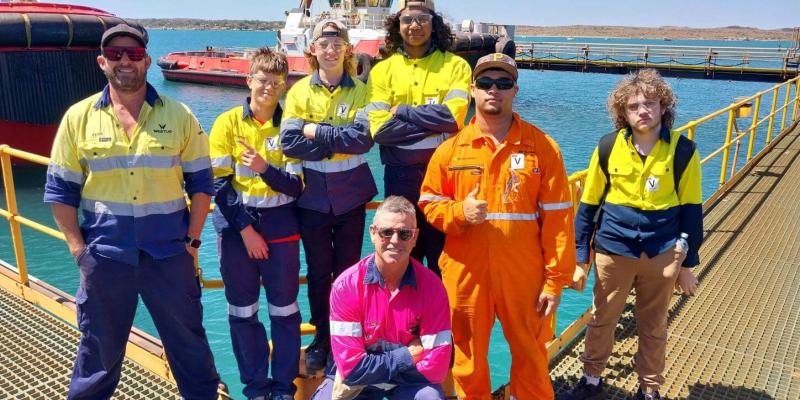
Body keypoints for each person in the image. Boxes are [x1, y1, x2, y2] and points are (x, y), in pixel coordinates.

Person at [43, 24, 220, 399]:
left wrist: (192, 241)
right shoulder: (78, 118)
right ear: (102, 62)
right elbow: (60, 191)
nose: (125, 60)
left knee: (189, 347)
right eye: (116, 54)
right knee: (99, 352)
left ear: (147, 61)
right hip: (106, 257)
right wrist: (79, 251)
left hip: (169, 254)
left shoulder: (179, 115)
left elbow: (202, 184)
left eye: (134, 54)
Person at [419, 53, 576, 399]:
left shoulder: (543, 148)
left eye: (503, 83)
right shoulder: (450, 150)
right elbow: (429, 203)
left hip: (525, 274)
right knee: (468, 358)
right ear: (472, 90)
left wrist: (554, 282)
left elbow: (559, 219)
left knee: (531, 355)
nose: (495, 90)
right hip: (465, 272)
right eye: (486, 83)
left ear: (515, 90)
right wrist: (460, 212)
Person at [562, 69, 702, 400]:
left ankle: (649, 389)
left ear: (663, 107)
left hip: (663, 253)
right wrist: (581, 259)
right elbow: (588, 208)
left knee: (654, 326)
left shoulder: (684, 151)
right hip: (613, 251)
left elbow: (692, 212)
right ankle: (591, 381)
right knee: (601, 319)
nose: (643, 111)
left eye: (650, 103)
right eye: (634, 106)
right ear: (622, 112)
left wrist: (686, 265)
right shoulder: (608, 148)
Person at [280, 19, 377, 373]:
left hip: (352, 197)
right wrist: (334, 141)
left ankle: (347, 341)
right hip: (313, 200)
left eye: (338, 43)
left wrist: (315, 131)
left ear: (347, 49)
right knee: (320, 273)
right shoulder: (299, 91)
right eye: (325, 43)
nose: (331, 49)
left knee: (349, 273)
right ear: (313, 50)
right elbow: (290, 142)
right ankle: (323, 338)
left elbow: (363, 139)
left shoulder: (362, 92)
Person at [209, 47, 302, 400]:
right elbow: (218, 183)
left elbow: (296, 187)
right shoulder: (227, 123)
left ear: (284, 87)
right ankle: (256, 389)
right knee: (242, 311)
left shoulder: (290, 127)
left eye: (277, 82)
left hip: (281, 227)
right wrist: (246, 230)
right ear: (249, 80)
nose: (269, 88)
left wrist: (265, 168)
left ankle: (283, 388)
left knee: (285, 310)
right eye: (263, 80)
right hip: (237, 229)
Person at [367, 0, 471, 277]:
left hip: (445, 180)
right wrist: (433, 125)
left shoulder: (456, 67)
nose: (414, 25)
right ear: (396, 26)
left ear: (433, 23)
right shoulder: (381, 71)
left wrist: (402, 111)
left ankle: (440, 319)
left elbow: (453, 119)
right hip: (399, 179)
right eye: (407, 19)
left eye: (422, 19)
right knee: (401, 258)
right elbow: (380, 131)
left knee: (442, 260)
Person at [311, 196, 452, 400]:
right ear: (373, 233)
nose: (395, 240)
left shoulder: (433, 288)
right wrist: (406, 355)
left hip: (409, 384)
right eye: (387, 232)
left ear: (415, 238)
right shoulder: (346, 286)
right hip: (357, 384)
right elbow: (351, 370)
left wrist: (370, 364)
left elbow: (435, 369)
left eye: (404, 233)